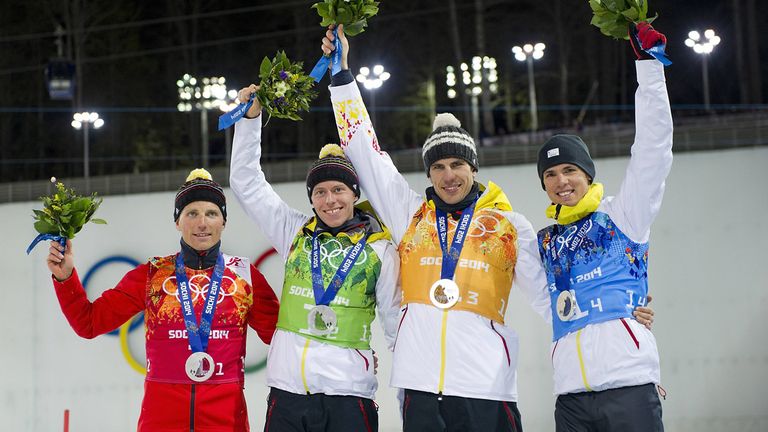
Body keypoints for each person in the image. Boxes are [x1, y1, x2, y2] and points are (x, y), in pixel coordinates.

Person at [321, 25, 656, 432]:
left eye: (457, 164)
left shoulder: (508, 226)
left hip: (487, 387)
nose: (448, 176)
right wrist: (342, 78)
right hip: (420, 385)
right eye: (438, 167)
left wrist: (623, 311)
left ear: (473, 167)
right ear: (429, 173)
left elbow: (553, 292)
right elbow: (365, 152)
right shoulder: (409, 214)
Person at [46, 168, 280, 431]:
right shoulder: (152, 274)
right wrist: (66, 278)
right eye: (192, 213)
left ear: (223, 222)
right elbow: (88, 323)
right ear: (177, 221)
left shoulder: (244, 276)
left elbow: (285, 340)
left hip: (226, 422)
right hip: (161, 422)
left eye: (212, 213)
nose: (202, 223)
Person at [229, 86, 401, 432]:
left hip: (350, 395)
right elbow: (246, 183)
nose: (329, 200)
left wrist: (409, 393)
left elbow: (396, 324)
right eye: (320, 192)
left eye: (338, 189)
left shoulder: (380, 249)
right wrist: (250, 121)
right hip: (289, 393)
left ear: (354, 193)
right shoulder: (295, 232)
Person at [534, 22, 672, 431]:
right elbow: (546, 304)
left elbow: (653, 151)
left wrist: (649, 69)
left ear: (588, 175)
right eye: (551, 174)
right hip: (572, 397)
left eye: (570, 170)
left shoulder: (622, 215)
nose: (562, 181)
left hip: (629, 386)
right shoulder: (546, 242)